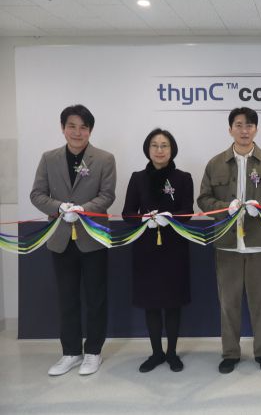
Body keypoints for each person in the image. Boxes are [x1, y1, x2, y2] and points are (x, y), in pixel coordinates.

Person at [197, 107, 261, 374]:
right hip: (227, 244)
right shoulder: (215, 163)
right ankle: (230, 353)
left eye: (249, 125)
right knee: (228, 302)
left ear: (256, 129)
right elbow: (203, 200)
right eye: (239, 125)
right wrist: (225, 208)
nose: (244, 130)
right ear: (230, 129)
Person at [30, 104, 116, 376]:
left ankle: (93, 352)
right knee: (67, 298)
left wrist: (82, 209)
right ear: (63, 128)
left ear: (90, 130)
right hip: (60, 238)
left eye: (83, 127)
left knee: (95, 298)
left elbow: (107, 195)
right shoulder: (49, 158)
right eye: (72, 126)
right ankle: (70, 352)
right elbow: (37, 194)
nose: (77, 132)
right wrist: (59, 208)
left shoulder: (104, 159)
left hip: (93, 238)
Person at [122, 129, 194, 373]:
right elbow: (127, 213)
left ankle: (172, 353)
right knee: (151, 303)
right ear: (148, 149)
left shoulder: (183, 178)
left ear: (172, 150)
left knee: (173, 303)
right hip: (146, 249)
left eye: (164, 145)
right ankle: (156, 353)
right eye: (154, 145)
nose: (159, 150)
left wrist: (169, 217)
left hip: (174, 249)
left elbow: (188, 212)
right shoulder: (137, 178)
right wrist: (143, 218)